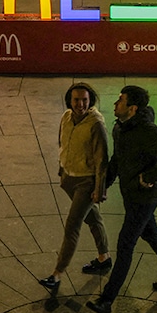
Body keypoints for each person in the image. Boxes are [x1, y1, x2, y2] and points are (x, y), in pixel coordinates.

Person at [86, 86, 157, 313]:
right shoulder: (121, 128)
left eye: (120, 101)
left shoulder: (148, 131)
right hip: (130, 193)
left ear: (132, 108)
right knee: (150, 232)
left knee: (125, 244)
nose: (114, 104)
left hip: (145, 197)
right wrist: (103, 186)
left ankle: (106, 300)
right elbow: (117, 160)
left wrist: (148, 177)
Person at [38, 82, 112, 290]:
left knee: (72, 225)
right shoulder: (66, 117)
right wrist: (62, 169)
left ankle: (57, 274)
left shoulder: (95, 124)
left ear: (91, 101)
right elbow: (62, 143)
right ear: (69, 101)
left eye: (84, 100)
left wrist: (99, 188)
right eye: (76, 100)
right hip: (69, 178)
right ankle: (104, 257)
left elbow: (102, 159)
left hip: (86, 182)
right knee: (92, 217)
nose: (80, 104)